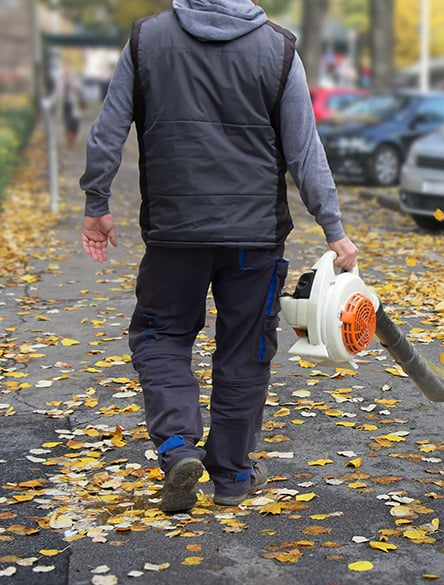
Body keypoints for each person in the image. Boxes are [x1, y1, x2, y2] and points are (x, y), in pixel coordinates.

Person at [79, 0, 358, 513]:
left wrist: (97, 202)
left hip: (173, 234)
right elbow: (303, 148)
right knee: (245, 349)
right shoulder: (277, 48)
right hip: (253, 238)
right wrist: (333, 229)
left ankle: (177, 447)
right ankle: (231, 474)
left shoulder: (147, 40)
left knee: (161, 336)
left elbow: (108, 130)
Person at [62, 68, 84, 148]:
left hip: (74, 105)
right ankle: (69, 140)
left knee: (74, 122)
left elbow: (80, 90)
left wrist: (75, 87)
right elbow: (56, 93)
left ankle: (72, 139)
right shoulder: (61, 81)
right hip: (66, 105)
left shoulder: (75, 80)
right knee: (67, 122)